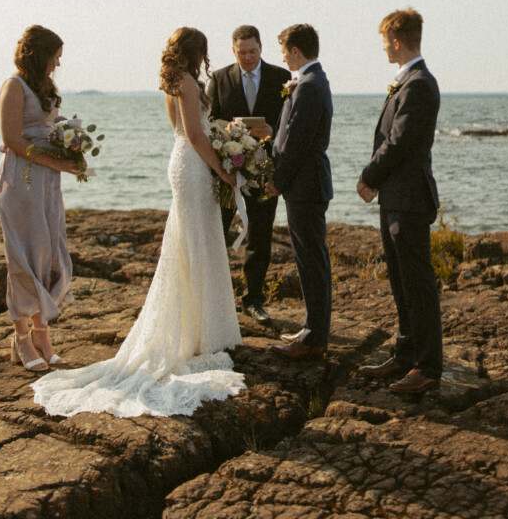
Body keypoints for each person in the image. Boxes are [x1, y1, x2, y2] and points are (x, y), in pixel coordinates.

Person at [32, 27, 245, 418]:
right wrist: (225, 170)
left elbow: (184, 133)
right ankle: (198, 334)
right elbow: (197, 136)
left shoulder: (172, 82)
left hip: (182, 162)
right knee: (196, 243)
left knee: (190, 243)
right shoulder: (188, 82)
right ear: (197, 52)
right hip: (194, 167)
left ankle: (196, 330)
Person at [356, 8, 443, 395]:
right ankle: (405, 355)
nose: (382, 49)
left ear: (395, 41)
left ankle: (427, 367)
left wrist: (368, 176)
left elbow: (400, 142)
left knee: (418, 285)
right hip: (395, 198)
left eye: (383, 42)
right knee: (400, 282)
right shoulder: (407, 81)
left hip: (409, 199)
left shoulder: (419, 83)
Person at [0, 25, 82, 372]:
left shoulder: (45, 86)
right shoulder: (13, 86)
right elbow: (12, 139)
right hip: (21, 181)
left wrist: (74, 146)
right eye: (54, 56)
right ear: (38, 54)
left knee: (49, 252)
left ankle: (42, 333)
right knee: (23, 257)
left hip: (48, 184)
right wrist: (54, 160)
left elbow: (50, 126)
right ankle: (20, 337)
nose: (57, 63)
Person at [207, 24, 290, 325]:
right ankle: (215, 298)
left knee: (260, 236)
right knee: (217, 232)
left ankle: (253, 300)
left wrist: (272, 131)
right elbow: (210, 120)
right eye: (242, 52)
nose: (248, 57)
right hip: (228, 171)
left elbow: (290, 122)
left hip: (265, 170)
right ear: (233, 51)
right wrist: (230, 130)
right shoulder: (218, 79)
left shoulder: (281, 78)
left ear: (261, 48)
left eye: (252, 51)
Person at [266, 24, 333, 360]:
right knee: (309, 260)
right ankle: (312, 329)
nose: (281, 57)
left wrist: (277, 179)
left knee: (312, 261)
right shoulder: (312, 81)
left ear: (295, 51)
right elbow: (286, 135)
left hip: (306, 185)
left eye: (283, 51)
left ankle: (314, 338)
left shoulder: (308, 85)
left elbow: (297, 143)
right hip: (305, 185)